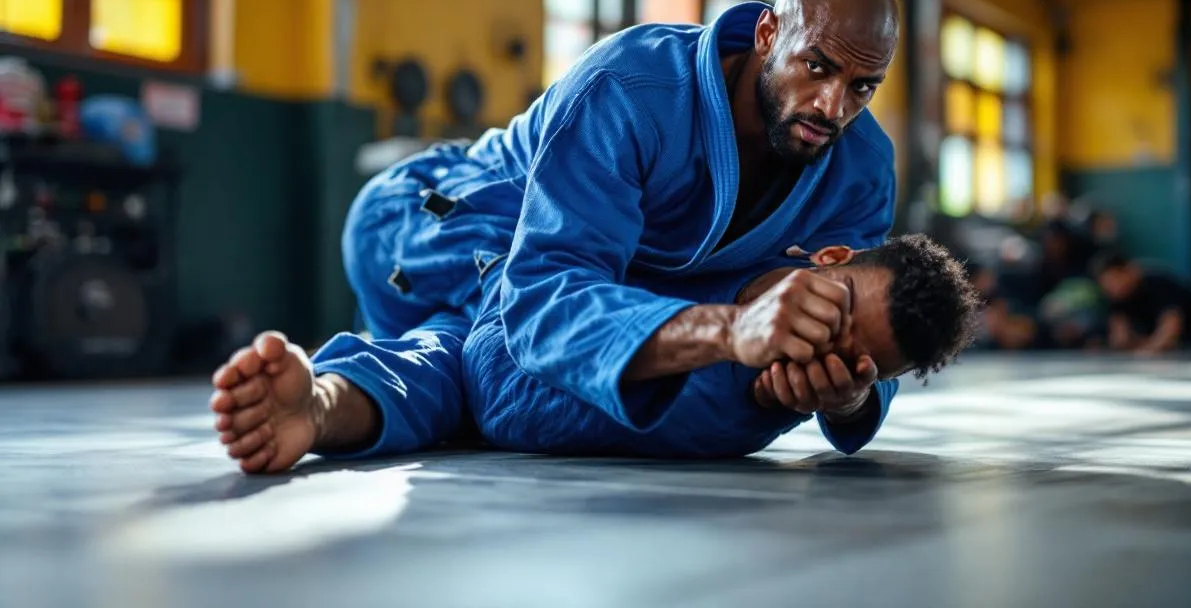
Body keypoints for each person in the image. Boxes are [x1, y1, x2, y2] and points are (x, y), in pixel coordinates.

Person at [209, 0, 907, 473]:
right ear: (767, 34)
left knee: (467, 371)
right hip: (444, 219)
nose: (832, 106)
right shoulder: (634, 85)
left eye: (862, 86)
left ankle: (321, 405)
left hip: (573, 281)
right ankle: (326, 404)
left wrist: (845, 397)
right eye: (817, 67)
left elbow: (859, 300)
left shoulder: (863, 169)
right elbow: (543, 299)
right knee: (503, 347)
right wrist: (731, 328)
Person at [210, 235, 978, 466]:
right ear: (830, 259)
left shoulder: (810, 393)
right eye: (832, 310)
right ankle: (314, 401)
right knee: (424, 367)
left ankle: (308, 411)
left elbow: (862, 402)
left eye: (854, 361)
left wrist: (848, 399)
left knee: (437, 392)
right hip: (493, 321)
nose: (820, 345)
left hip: (485, 405)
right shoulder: (715, 249)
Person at [1092, 252, 1191, 355]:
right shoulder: (1115, 298)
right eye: (1107, 284)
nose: (1112, 287)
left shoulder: (1157, 283)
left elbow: (1171, 326)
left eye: (1114, 280)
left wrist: (1149, 349)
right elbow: (1120, 336)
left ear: (1130, 270)